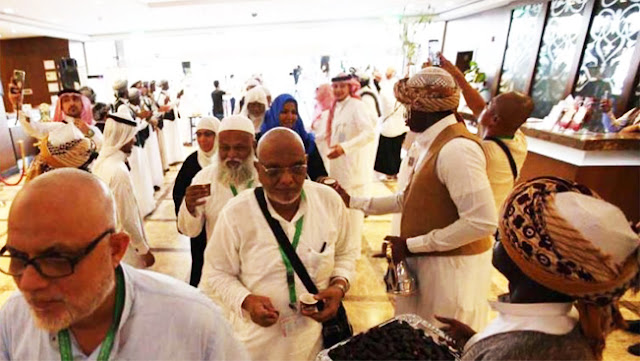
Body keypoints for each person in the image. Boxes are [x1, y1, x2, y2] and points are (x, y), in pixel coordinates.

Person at [0, 168, 249, 360]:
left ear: (115, 249)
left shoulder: (193, 322)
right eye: (17, 257)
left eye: (57, 260)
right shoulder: (13, 319)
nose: (28, 283)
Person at [333, 67, 498, 331]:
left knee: (439, 342)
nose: (403, 113)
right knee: (416, 335)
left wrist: (412, 246)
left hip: (450, 274)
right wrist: (352, 201)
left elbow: (482, 222)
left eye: (407, 106)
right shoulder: (428, 142)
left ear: (426, 108)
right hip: (426, 265)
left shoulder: (457, 150)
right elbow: (408, 199)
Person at [438, 177, 640, 361]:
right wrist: (477, 343)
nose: (497, 237)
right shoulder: (553, 327)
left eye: (504, 236)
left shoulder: (526, 350)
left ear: (533, 262)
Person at [201, 128, 357, 361]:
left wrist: (339, 286)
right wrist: (246, 300)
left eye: (296, 168)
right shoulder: (236, 213)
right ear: (258, 169)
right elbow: (216, 272)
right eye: (273, 170)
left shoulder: (328, 202)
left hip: (316, 342)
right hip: (257, 347)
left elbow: (346, 253)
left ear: (306, 163)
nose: (287, 179)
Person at [439, 53, 532, 212]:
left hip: (476, 224)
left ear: (494, 120)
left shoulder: (486, 152)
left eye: (490, 106)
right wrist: (457, 75)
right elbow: (478, 108)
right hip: (496, 217)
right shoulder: (517, 139)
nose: (485, 106)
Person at [320, 73, 375, 258]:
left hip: (352, 170)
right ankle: (344, 250)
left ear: (349, 87)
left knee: (353, 212)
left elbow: (369, 133)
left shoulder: (357, 106)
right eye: (335, 87)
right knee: (342, 210)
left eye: (341, 87)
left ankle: (353, 254)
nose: (337, 90)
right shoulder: (337, 107)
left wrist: (345, 148)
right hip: (339, 168)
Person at [177, 115, 258, 242]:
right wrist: (189, 207)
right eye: (225, 148)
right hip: (221, 260)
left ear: (253, 145)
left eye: (239, 148)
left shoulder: (265, 178)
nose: (231, 155)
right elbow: (190, 231)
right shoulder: (204, 178)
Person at [92, 108, 155, 268]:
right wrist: (143, 249)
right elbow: (127, 216)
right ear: (123, 138)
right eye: (131, 136)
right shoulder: (118, 171)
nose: (134, 140)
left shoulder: (102, 163)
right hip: (126, 248)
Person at [173, 116, 220, 287]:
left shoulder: (225, 162)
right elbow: (178, 192)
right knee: (200, 264)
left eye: (208, 134)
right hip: (199, 229)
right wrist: (188, 208)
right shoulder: (192, 162)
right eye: (198, 134)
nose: (202, 139)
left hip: (219, 224)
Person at [260, 94, 328, 180]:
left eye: (294, 112)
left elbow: (319, 175)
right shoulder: (262, 141)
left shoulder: (306, 142)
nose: (290, 117)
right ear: (274, 113)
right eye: (284, 112)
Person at [20, 120, 97, 181]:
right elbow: (34, 128)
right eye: (66, 100)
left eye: (75, 99)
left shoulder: (93, 130)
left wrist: (90, 132)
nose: (71, 103)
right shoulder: (60, 127)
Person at [129, 87, 164, 191]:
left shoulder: (139, 106)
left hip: (148, 135)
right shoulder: (129, 109)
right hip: (142, 140)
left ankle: (154, 182)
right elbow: (136, 126)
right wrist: (146, 120)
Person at [157, 79, 184, 165]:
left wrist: (177, 99)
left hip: (173, 119)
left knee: (174, 138)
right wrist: (177, 98)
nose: (168, 85)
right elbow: (164, 107)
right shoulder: (160, 96)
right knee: (169, 140)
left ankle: (176, 157)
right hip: (167, 120)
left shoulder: (168, 93)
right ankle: (170, 159)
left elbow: (174, 105)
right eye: (166, 84)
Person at [311, 84, 335, 170]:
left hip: (324, 146)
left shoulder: (328, 112)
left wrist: (312, 138)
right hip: (318, 146)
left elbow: (324, 133)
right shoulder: (319, 109)